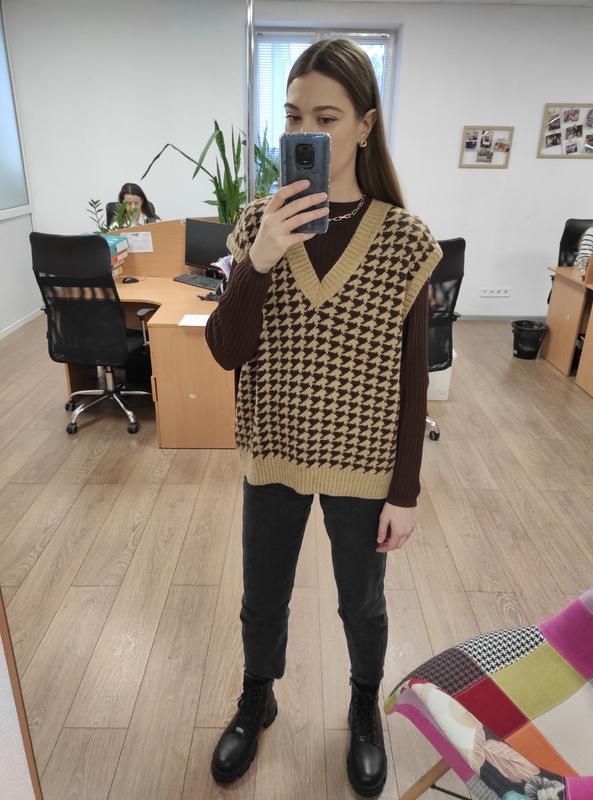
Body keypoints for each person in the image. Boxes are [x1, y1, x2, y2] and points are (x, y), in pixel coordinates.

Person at [205, 38, 442, 798]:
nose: (305, 132)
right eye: (293, 117)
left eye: (327, 117)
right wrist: (260, 258)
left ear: (365, 125)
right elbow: (225, 349)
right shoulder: (257, 225)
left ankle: (363, 707)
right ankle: (257, 696)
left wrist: (405, 491)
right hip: (272, 449)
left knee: (361, 601)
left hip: (363, 460)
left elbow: (413, 379)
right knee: (262, 595)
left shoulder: (404, 241)